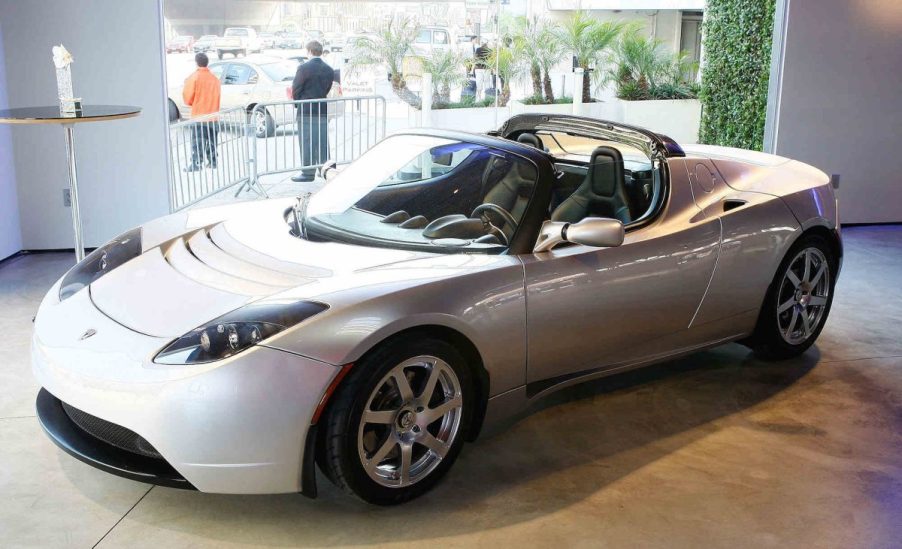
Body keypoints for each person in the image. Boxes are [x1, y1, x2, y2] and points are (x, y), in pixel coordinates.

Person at [291, 40, 334, 182]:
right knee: (322, 141)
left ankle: (307, 173)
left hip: (306, 110)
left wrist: (298, 103)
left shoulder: (303, 68)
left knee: (307, 141)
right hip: (321, 109)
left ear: (309, 51)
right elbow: (327, 89)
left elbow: (296, 89)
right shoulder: (328, 69)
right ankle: (325, 170)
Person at [182, 52, 221, 171]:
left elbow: (187, 98)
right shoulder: (214, 78)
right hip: (213, 116)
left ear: (196, 63)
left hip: (199, 116)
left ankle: (196, 164)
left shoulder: (194, 77)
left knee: (198, 141)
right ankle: (213, 162)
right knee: (211, 140)